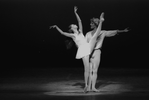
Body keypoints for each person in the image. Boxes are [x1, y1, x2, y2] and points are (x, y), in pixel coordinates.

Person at [50, 6, 104, 92]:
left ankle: (100, 23)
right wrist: (56, 27)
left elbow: (80, 21)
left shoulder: (81, 31)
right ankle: (86, 85)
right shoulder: (73, 35)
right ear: (72, 28)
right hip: (82, 50)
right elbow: (63, 33)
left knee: (94, 36)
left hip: (88, 46)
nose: (75, 24)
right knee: (87, 68)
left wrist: (75, 13)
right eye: (73, 25)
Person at [85, 18, 129, 92]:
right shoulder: (88, 34)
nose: (90, 24)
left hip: (97, 52)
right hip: (89, 53)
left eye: (92, 23)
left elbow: (113, 32)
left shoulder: (102, 32)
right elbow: (85, 44)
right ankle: (89, 87)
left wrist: (123, 31)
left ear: (96, 24)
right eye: (91, 23)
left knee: (95, 71)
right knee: (89, 71)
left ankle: (93, 87)